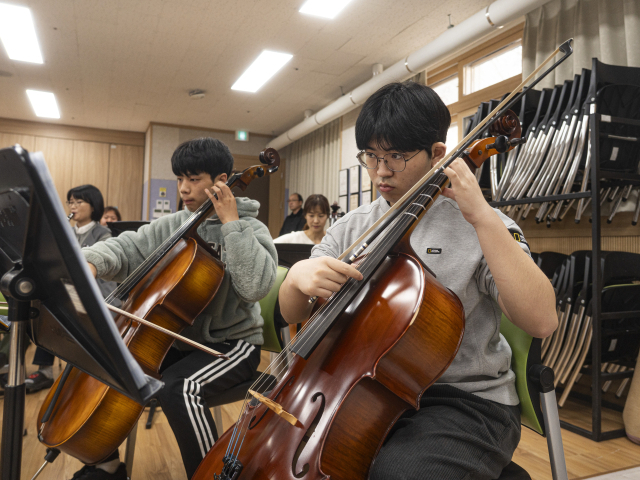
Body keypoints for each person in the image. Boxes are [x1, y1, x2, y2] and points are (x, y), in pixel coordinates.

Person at [278, 82, 558, 480]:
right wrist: (298, 279)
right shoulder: (351, 227)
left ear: (437, 154)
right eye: (371, 156)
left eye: (396, 156)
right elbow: (291, 310)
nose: (380, 171)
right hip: (366, 390)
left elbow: (542, 320)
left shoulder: (483, 226)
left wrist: (480, 215)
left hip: (465, 402)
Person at [72, 137, 277, 480]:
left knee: (179, 387)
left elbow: (255, 286)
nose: (183, 188)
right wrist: (90, 262)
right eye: (180, 178)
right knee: (114, 362)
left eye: (194, 179)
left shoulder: (251, 228)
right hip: (177, 341)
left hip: (234, 345)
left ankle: (211, 475)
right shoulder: (172, 225)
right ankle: (105, 463)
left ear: (222, 181)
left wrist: (231, 225)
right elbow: (126, 248)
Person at [26, 185, 115, 394]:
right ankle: (44, 371)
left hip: (98, 294)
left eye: (78, 202)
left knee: (56, 311)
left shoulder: (103, 233)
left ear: (93, 206)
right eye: (70, 202)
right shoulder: (66, 232)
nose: (73, 207)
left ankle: (73, 375)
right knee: (41, 309)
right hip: (70, 293)